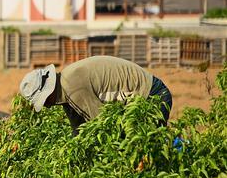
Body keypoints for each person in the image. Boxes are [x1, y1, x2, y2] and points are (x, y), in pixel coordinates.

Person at [19, 55, 172, 134]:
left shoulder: (72, 86)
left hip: (153, 95)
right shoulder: (64, 85)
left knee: (143, 150)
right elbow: (78, 128)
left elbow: (102, 125)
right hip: (143, 97)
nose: (45, 106)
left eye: (43, 100)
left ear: (49, 90)